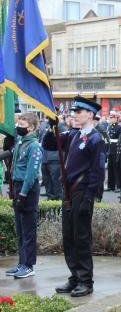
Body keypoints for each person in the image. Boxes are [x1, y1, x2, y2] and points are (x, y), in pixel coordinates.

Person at [47, 96, 106, 297]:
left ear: (90, 114)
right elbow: (50, 144)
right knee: (69, 237)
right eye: (74, 112)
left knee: (81, 238)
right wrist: (52, 126)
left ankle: (85, 280)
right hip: (69, 192)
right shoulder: (74, 134)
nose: (75, 115)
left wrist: (89, 196)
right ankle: (74, 276)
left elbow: (98, 171)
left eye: (79, 112)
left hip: (82, 192)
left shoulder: (95, 139)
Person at [4, 113, 42, 279]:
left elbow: (31, 173)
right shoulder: (21, 141)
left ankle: (28, 265)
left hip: (28, 189)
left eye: (22, 123)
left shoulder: (34, 146)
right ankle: (21, 262)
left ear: (32, 128)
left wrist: (23, 194)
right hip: (17, 186)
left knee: (28, 230)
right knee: (20, 229)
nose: (18, 126)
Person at [106, 112, 121, 191]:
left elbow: (120, 139)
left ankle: (117, 185)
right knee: (110, 167)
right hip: (110, 149)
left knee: (116, 168)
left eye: (112, 118)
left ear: (116, 119)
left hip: (116, 149)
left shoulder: (119, 128)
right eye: (110, 117)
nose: (111, 119)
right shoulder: (109, 127)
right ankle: (110, 185)